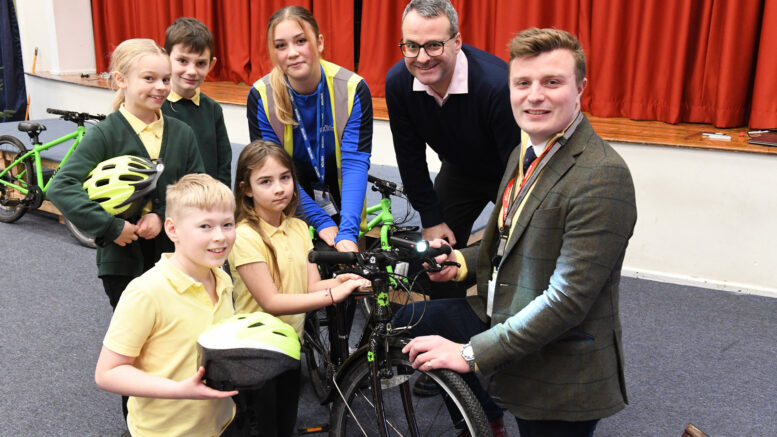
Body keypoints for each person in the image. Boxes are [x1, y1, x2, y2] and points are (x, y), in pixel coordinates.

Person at [397, 28, 638, 437]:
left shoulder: (602, 175)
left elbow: (565, 302)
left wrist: (470, 354)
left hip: (560, 366)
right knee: (412, 318)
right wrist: (456, 263)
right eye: (522, 83)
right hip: (505, 311)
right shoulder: (523, 150)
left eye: (552, 82)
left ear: (581, 87)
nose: (534, 95)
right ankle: (483, 420)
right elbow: (505, 244)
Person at [49, 38, 204, 310]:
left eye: (166, 79)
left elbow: (198, 189)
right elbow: (60, 187)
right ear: (121, 80)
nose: (160, 87)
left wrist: (161, 215)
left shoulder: (183, 133)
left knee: (177, 331)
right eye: (149, 78)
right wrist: (111, 227)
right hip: (121, 261)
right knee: (135, 338)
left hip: (176, 255)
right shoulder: (104, 134)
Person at [228, 140, 368, 436]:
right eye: (265, 181)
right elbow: (271, 301)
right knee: (260, 427)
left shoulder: (299, 228)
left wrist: (344, 281)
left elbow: (311, 286)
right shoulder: (243, 236)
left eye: (285, 178)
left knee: (285, 424)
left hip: (291, 344)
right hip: (256, 352)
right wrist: (331, 296)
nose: (279, 188)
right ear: (246, 189)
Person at [93, 173, 238, 437]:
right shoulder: (146, 293)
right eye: (205, 226)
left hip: (216, 424)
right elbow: (107, 373)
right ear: (172, 230)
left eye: (227, 224)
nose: (220, 236)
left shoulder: (222, 279)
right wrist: (179, 390)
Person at [385, 0, 522, 259]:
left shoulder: (497, 87)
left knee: (514, 250)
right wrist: (430, 218)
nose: (422, 58)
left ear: (457, 42)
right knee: (436, 255)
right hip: (459, 169)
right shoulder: (398, 84)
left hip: (508, 174)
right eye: (412, 46)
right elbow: (409, 156)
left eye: (434, 45)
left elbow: (518, 167)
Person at [247, 5, 373, 253]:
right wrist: (320, 220)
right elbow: (272, 171)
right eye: (281, 46)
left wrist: (347, 231)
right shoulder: (262, 96)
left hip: (343, 203)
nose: (292, 53)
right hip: (284, 203)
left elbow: (354, 163)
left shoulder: (352, 88)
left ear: (320, 42)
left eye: (301, 41)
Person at [162, 17, 232, 187]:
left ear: (211, 65)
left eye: (201, 63)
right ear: (165, 58)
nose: (192, 71)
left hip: (207, 203)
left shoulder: (213, 110)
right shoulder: (155, 106)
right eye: (182, 61)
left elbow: (224, 164)